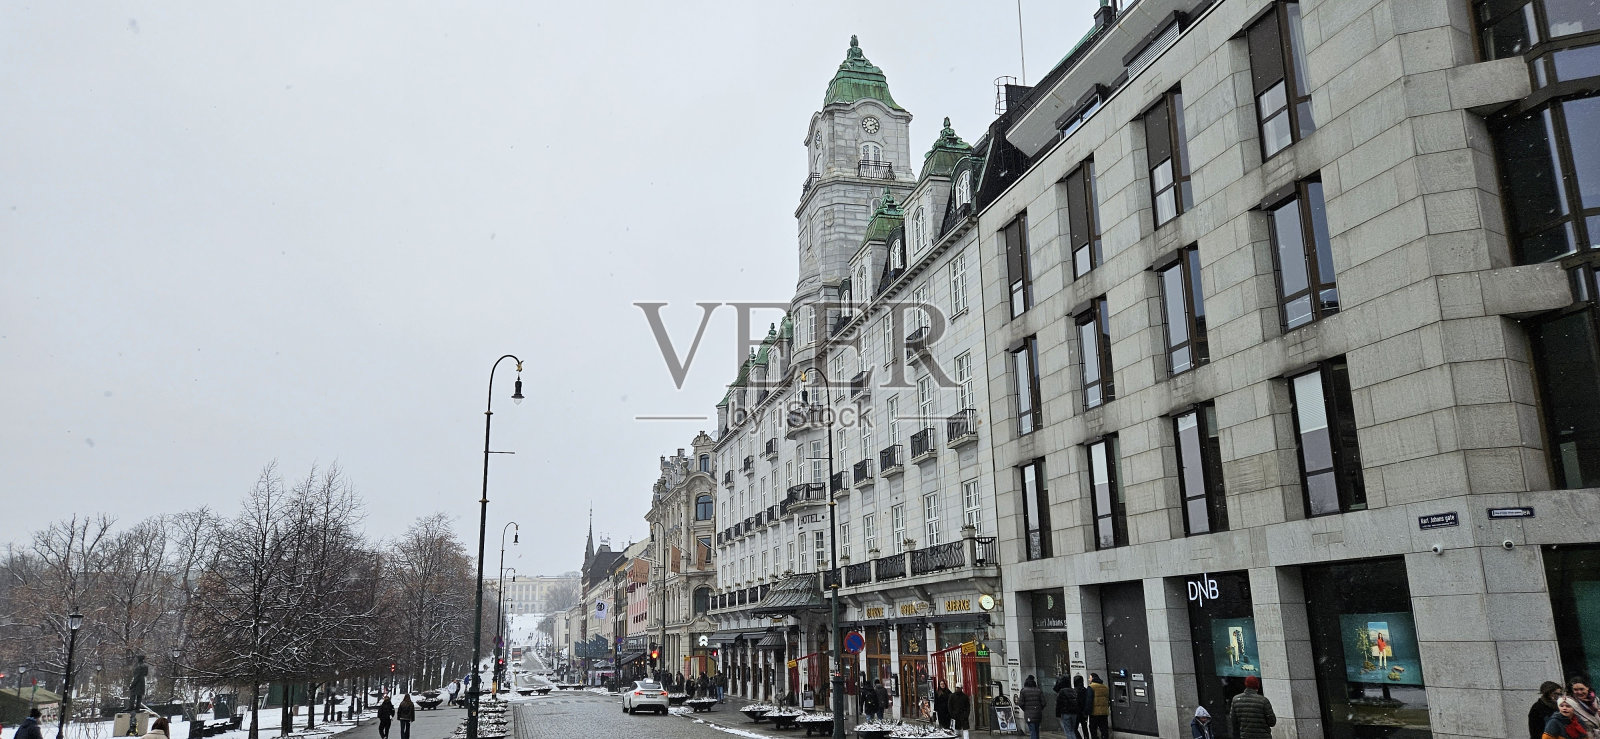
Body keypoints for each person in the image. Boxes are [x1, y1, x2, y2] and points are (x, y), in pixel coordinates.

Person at [1088, 674, 1111, 739]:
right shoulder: (1105, 687)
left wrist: (1087, 712)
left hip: (1094, 713)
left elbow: (1089, 701)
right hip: (1104, 712)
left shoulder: (1091, 687)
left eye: (1090, 678)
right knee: (1104, 729)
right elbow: (1108, 700)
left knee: (1093, 729)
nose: (1089, 679)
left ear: (1093, 678)